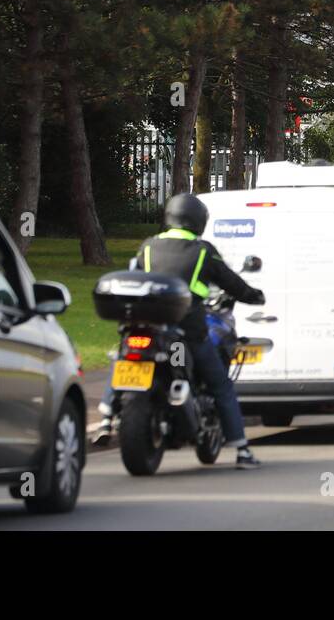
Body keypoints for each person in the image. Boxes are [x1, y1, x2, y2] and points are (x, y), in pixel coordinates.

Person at [93, 193, 265, 470]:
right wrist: (253, 295)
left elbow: (134, 273)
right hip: (187, 329)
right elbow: (230, 281)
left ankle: (105, 416)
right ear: (198, 221)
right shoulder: (202, 250)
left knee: (123, 356)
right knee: (221, 384)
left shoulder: (148, 246)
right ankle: (242, 451)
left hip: (145, 324)